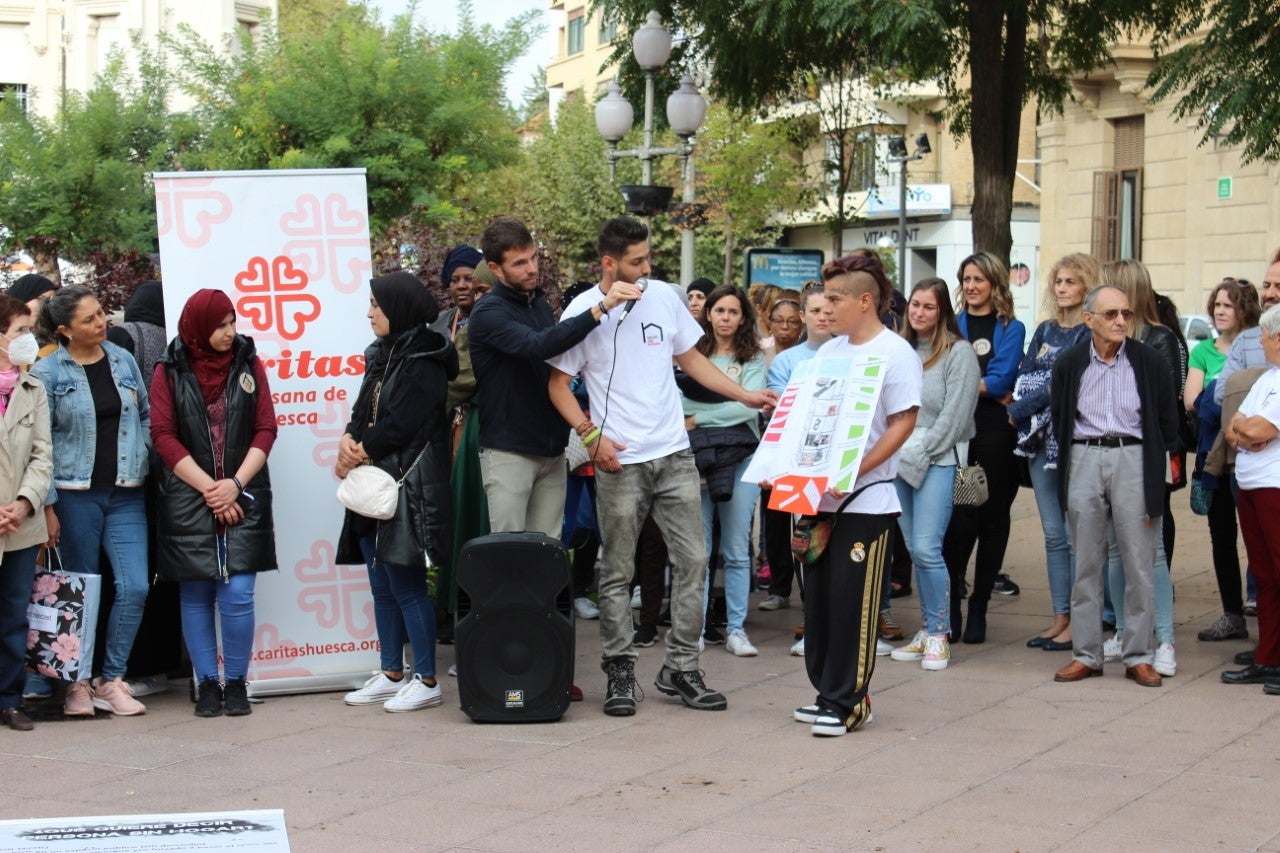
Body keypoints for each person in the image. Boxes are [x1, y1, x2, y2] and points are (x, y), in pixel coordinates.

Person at [547, 216, 775, 717]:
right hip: (619, 459)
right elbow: (558, 386)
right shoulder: (584, 310)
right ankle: (621, 670)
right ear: (609, 263)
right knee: (617, 570)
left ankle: (681, 668)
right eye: (636, 261)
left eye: (649, 257)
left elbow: (691, 360)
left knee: (694, 559)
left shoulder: (665, 296)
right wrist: (591, 437)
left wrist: (747, 395)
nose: (647, 268)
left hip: (674, 453)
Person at [789, 253, 920, 736]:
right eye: (824, 299)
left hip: (867, 500)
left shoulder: (895, 353)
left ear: (865, 301)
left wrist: (855, 468)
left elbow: (904, 421)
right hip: (818, 500)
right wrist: (782, 469)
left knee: (854, 603)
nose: (826, 308)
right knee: (819, 603)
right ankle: (827, 692)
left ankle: (850, 700)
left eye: (836, 298)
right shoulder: (827, 354)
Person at [468, 217, 640, 538]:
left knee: (547, 557)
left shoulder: (538, 305)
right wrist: (600, 307)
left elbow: (558, 364)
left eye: (533, 257)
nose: (531, 268)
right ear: (495, 267)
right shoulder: (488, 313)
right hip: (509, 453)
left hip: (552, 452)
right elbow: (539, 345)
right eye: (519, 263)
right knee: (509, 556)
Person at [150, 290, 277, 717]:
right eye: (220, 325)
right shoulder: (168, 370)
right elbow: (163, 435)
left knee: (238, 593)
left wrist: (235, 485)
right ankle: (207, 683)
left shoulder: (249, 363)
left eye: (232, 322)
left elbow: (266, 428)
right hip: (189, 495)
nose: (230, 332)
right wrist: (212, 489)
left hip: (243, 491)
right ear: (199, 328)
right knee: (197, 590)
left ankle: (237, 682)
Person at [335, 272, 456, 712]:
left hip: (403, 483)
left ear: (399, 309)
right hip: (373, 481)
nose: (370, 313)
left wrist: (358, 450)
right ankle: (390, 672)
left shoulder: (423, 359)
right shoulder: (384, 354)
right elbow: (362, 409)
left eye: (376, 305)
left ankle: (426, 679)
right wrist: (348, 441)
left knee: (406, 584)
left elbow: (402, 422)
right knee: (380, 584)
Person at [30, 286, 152, 716]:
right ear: (65, 330)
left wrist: (145, 453)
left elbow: (144, 414)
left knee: (135, 585)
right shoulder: (47, 373)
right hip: (72, 494)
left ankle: (110, 679)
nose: (103, 322)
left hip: (126, 492)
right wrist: (46, 506)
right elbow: (38, 444)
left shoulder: (122, 359)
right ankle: (76, 684)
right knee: (79, 595)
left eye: (101, 313)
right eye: (90, 319)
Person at [1051, 285, 1178, 688]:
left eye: (1125, 313)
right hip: (1085, 455)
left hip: (1134, 456)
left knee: (1139, 561)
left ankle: (1138, 655)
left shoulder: (1149, 361)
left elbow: (1167, 420)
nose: (1121, 320)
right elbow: (1059, 417)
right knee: (1085, 560)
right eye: (1110, 314)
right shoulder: (1070, 362)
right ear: (1089, 319)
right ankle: (1086, 654)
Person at [1008, 254, 1100, 651]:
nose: (1062, 288)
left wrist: (1017, 408)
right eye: (1058, 281)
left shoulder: (1089, 332)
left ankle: (1082, 620)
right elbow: (1026, 374)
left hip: (1068, 440)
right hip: (1036, 443)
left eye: (1071, 282)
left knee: (1078, 534)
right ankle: (1059, 616)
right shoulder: (1045, 328)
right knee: (1052, 535)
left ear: (1086, 287)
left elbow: (1063, 386)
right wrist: (1029, 397)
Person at [1098, 259, 1184, 677]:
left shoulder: (1159, 340)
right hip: (1105, 460)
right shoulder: (1100, 344)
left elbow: (1168, 407)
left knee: (1152, 553)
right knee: (1114, 549)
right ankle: (1126, 630)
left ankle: (1163, 639)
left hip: (1147, 459)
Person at [889, 278, 979, 672]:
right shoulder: (900, 350)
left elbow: (956, 418)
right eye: (915, 306)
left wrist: (919, 453)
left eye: (928, 306)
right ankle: (926, 628)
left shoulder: (959, 353)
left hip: (936, 460)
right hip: (898, 459)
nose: (920, 313)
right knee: (913, 549)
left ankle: (940, 633)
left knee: (928, 548)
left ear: (942, 311)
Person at [942, 252, 1026, 644]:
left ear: (994, 283)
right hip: (959, 432)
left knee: (993, 518)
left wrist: (964, 381)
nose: (971, 286)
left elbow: (1000, 380)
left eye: (978, 279)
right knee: (961, 519)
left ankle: (980, 606)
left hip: (994, 433)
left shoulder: (1011, 327)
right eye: (966, 279)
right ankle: (953, 601)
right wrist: (977, 384)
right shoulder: (951, 324)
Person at [681, 285, 767, 657]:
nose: (726, 318)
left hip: (742, 456)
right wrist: (705, 412)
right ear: (708, 314)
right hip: (698, 458)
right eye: (720, 311)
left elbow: (748, 409)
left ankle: (735, 629)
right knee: (698, 549)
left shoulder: (754, 358)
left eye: (733, 311)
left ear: (743, 317)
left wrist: (698, 417)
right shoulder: (691, 354)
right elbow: (678, 398)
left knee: (735, 548)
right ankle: (695, 629)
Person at [104, 280, 179, 699]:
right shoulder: (175, 343)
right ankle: (162, 666)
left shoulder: (122, 338)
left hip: (126, 476)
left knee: (126, 573)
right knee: (162, 566)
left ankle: (129, 667)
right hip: (170, 470)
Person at [1188, 280, 1260, 642]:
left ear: (1244, 309)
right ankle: (1232, 613)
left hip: (1249, 454)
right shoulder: (1203, 351)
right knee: (1222, 536)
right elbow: (1194, 401)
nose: (1219, 310)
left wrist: (1221, 398)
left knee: (1257, 535)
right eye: (1216, 304)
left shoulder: (1261, 346)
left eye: (1228, 305)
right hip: (1214, 453)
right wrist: (1230, 400)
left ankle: (1257, 602)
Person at [761, 283, 832, 630]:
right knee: (808, 541)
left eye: (827, 309)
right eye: (815, 311)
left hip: (843, 464)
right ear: (804, 316)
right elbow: (780, 416)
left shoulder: (855, 353)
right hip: (801, 464)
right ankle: (813, 615)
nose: (822, 316)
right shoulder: (787, 361)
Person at [1221, 303, 1280, 692]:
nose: (1259, 341)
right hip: (1251, 485)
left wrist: (1249, 430)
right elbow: (1234, 427)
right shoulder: (1266, 379)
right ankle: (1269, 657)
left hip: (1275, 486)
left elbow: (1259, 428)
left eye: (1264, 334)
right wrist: (1247, 431)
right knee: (1265, 576)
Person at [0, 294, 52, 731]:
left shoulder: (33, 387)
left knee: (15, 614)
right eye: (19, 331)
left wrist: (23, 502)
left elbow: (43, 455)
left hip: (21, 521)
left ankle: (9, 699)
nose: (27, 341)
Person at [6, 273, 58, 359]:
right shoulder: (5, 342)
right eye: (42, 299)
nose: (49, 306)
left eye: (52, 300)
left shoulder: (56, 344)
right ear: (21, 300)